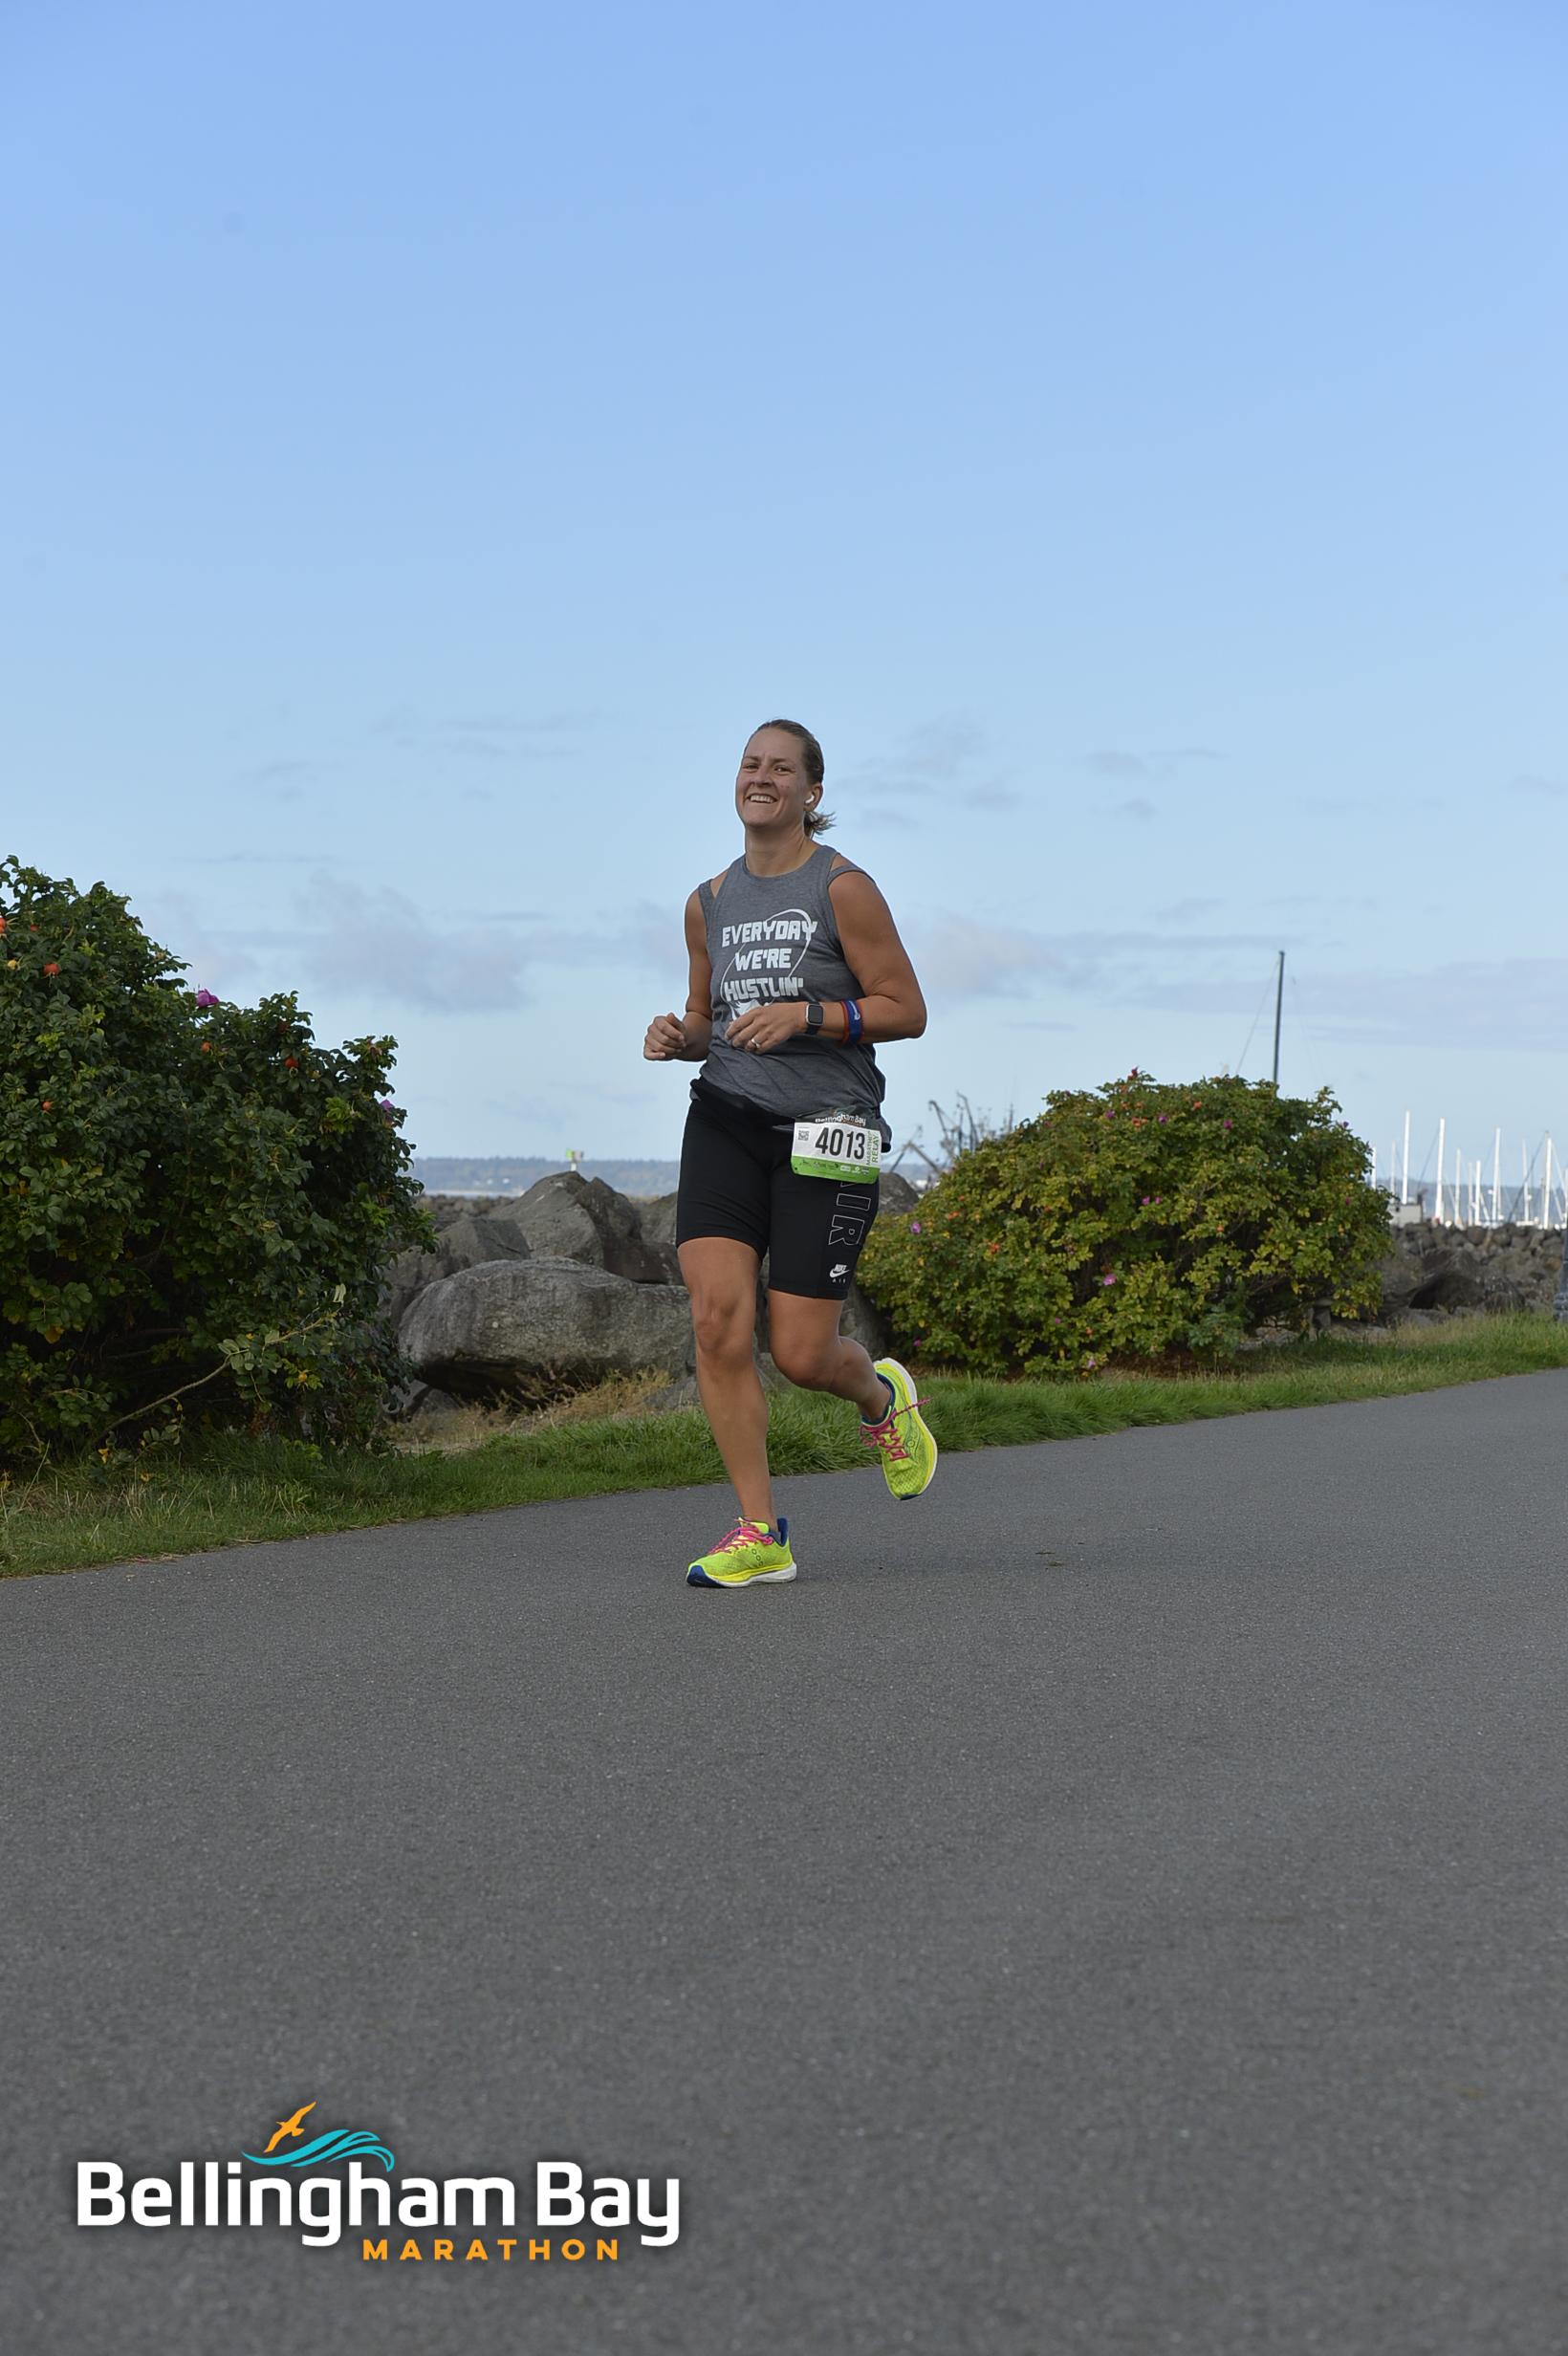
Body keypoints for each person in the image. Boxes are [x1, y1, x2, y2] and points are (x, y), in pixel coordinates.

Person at [643, 718, 938, 1588]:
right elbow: (710, 1019)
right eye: (750, 764)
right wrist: (681, 1036)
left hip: (826, 1131)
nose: (760, 777)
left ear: (812, 792)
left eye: (780, 767)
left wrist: (810, 1016)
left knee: (804, 1355)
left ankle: (882, 1398)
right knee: (716, 1321)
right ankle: (758, 1530)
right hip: (725, 1120)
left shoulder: (843, 888)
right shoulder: (707, 901)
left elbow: (906, 1008)